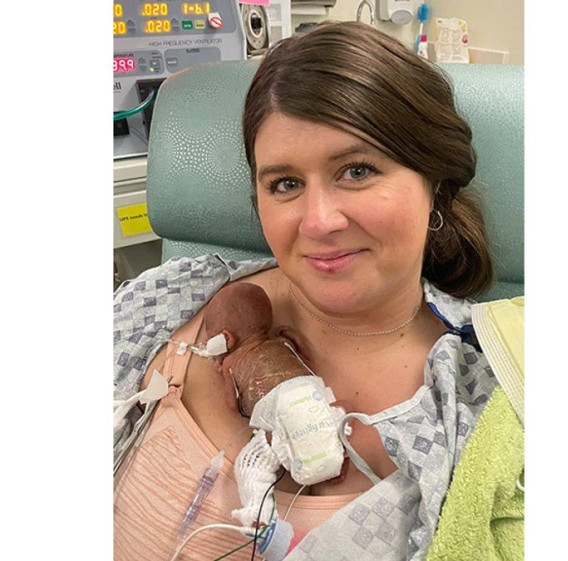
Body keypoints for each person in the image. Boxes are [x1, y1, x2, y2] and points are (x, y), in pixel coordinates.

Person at [113, 21, 522, 561]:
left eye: (357, 171)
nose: (319, 221)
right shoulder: (170, 299)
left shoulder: (485, 397)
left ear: (436, 185)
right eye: (285, 184)